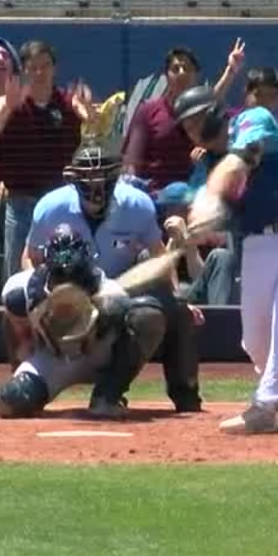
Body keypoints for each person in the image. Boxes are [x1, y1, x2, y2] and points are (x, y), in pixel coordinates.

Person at [177, 83, 278, 435]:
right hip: (259, 245)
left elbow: (242, 158)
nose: (193, 129)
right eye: (186, 125)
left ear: (215, 110)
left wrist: (211, 195)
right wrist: (199, 220)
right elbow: (208, 202)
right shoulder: (207, 164)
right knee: (255, 340)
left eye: (197, 119)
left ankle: (265, 405)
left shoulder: (251, 118)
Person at [27, 144, 204, 413]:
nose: (96, 188)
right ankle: (26, 379)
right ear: (72, 179)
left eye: (103, 179)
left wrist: (177, 299)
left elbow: (159, 259)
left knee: (172, 312)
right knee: (15, 309)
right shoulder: (50, 207)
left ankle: (115, 396)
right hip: (68, 300)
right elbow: (30, 258)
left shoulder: (137, 204)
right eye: (87, 181)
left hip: (121, 295)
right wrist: (44, 300)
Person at [0, 224, 167, 420]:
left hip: (97, 356)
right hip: (52, 359)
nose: (67, 282)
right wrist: (20, 364)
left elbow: (125, 330)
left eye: (74, 276)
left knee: (146, 314)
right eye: (61, 276)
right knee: (10, 402)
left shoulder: (109, 293)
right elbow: (14, 328)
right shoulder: (21, 291)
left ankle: (108, 396)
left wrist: (108, 314)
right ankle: (2, 394)